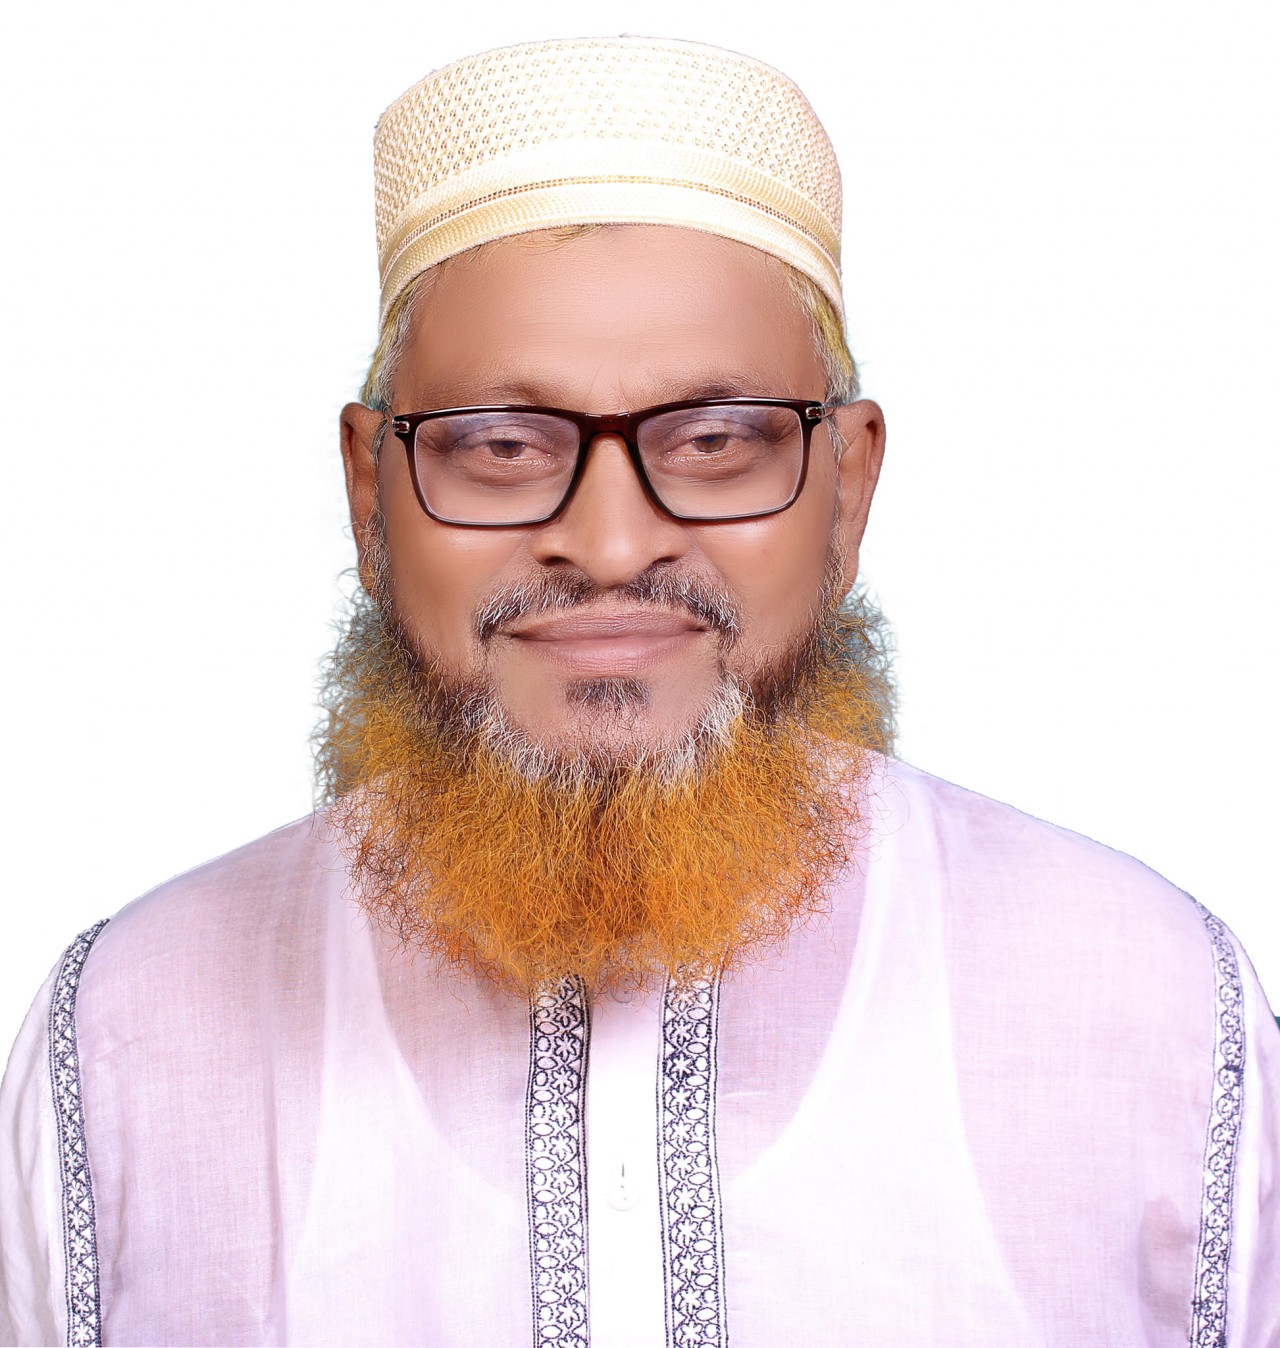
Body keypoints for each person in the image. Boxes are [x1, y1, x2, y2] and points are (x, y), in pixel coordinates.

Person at [1, 34, 1276, 1348]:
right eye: (501, 445)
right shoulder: (123, 1041)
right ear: (369, 493)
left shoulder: (1161, 1011)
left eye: (715, 440)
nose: (611, 547)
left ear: (848, 487)